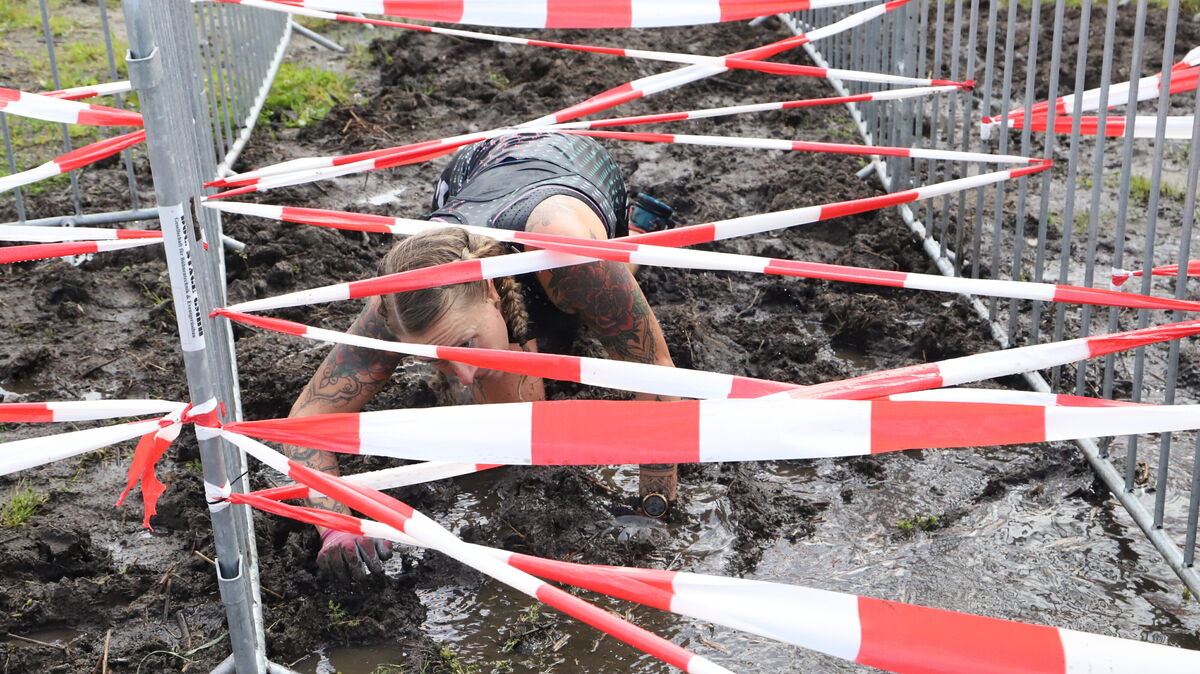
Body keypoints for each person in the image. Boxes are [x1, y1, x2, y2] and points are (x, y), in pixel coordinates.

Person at [285, 131, 679, 581]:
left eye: (465, 345)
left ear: (491, 291)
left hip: (571, 169)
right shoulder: (392, 307)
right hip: (472, 178)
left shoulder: (566, 253)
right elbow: (307, 419)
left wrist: (653, 506)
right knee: (509, 407)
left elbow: (654, 371)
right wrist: (335, 524)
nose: (462, 376)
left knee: (597, 294)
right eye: (436, 359)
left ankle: (635, 235)